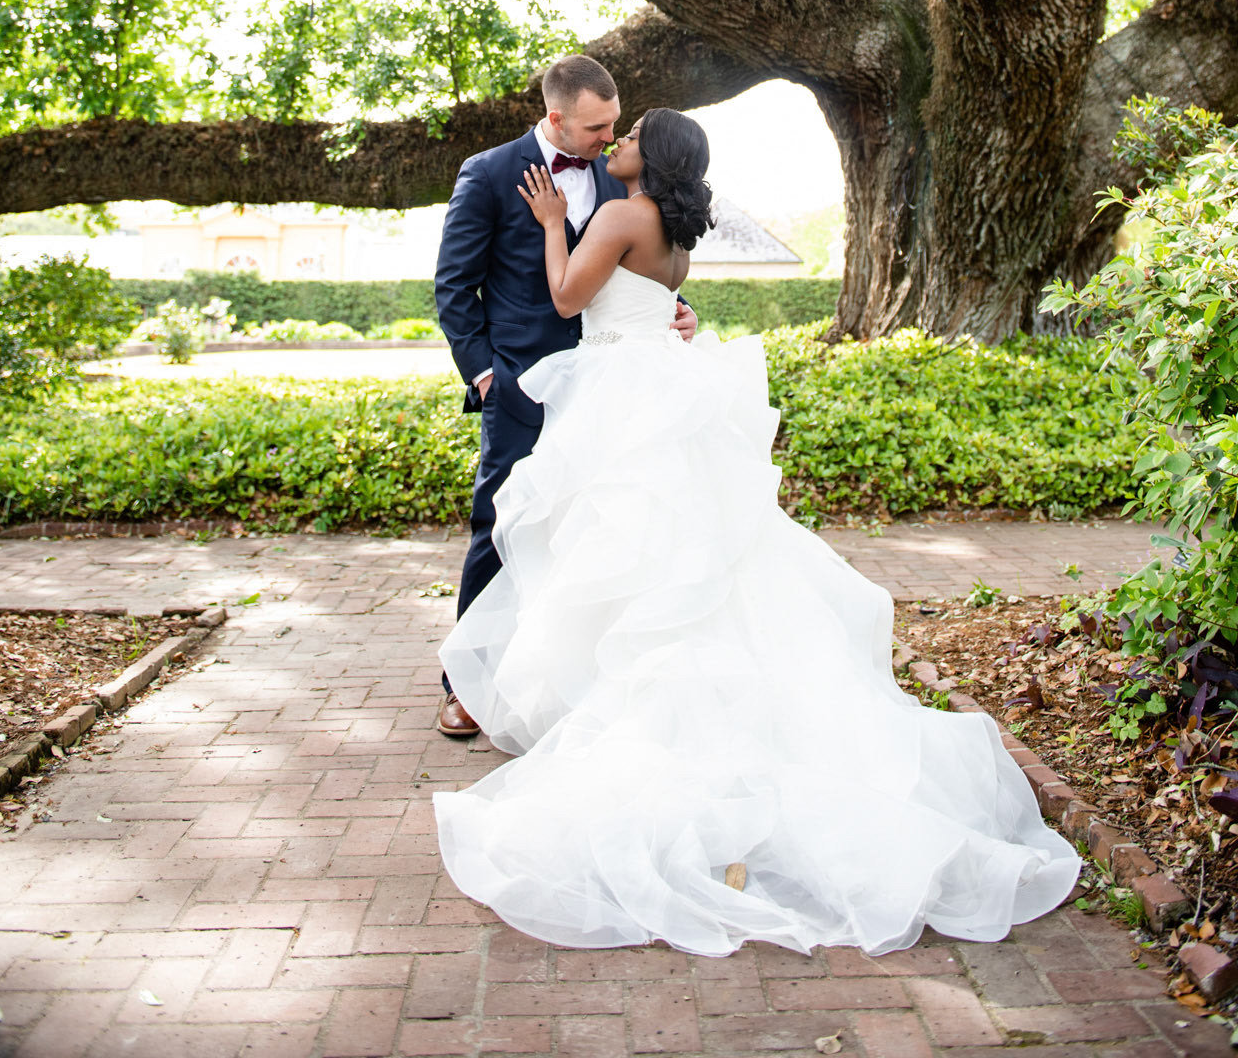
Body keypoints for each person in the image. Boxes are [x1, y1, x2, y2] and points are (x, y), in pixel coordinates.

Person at [433, 107, 1080, 955]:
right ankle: (624, 696)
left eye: (628, 138)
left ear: (646, 160)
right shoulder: (674, 234)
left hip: (623, 395)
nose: (617, 142)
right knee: (678, 555)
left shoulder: (621, 212)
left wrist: (555, 225)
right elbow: (648, 297)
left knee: (623, 552)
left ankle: (629, 715)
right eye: (609, 132)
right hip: (654, 385)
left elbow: (565, 296)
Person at [433, 54, 696, 738]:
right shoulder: (488, 173)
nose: (607, 140)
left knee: (591, 533)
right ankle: (466, 686)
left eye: (616, 126)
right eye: (595, 128)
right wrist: (485, 373)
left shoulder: (618, 182)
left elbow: (633, 265)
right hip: (522, 383)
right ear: (556, 117)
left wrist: (675, 308)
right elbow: (455, 287)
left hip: (611, 389)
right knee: (501, 524)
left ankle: (566, 682)